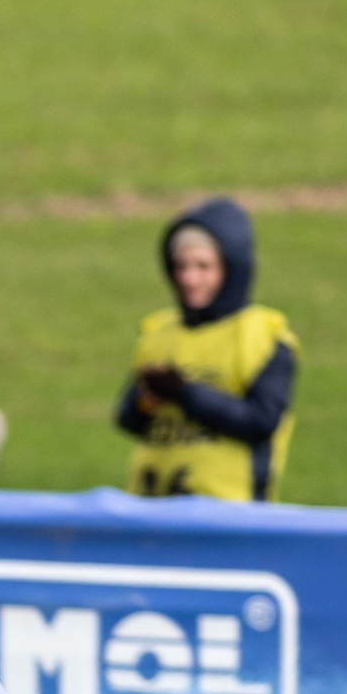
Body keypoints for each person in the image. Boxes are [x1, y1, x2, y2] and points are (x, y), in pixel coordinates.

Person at [114, 197, 297, 501]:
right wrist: (147, 399)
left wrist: (185, 394)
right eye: (180, 266)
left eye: (203, 266)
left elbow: (261, 420)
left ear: (231, 267)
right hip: (151, 507)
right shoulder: (158, 332)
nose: (189, 278)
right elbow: (128, 419)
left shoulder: (263, 334)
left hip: (228, 514)